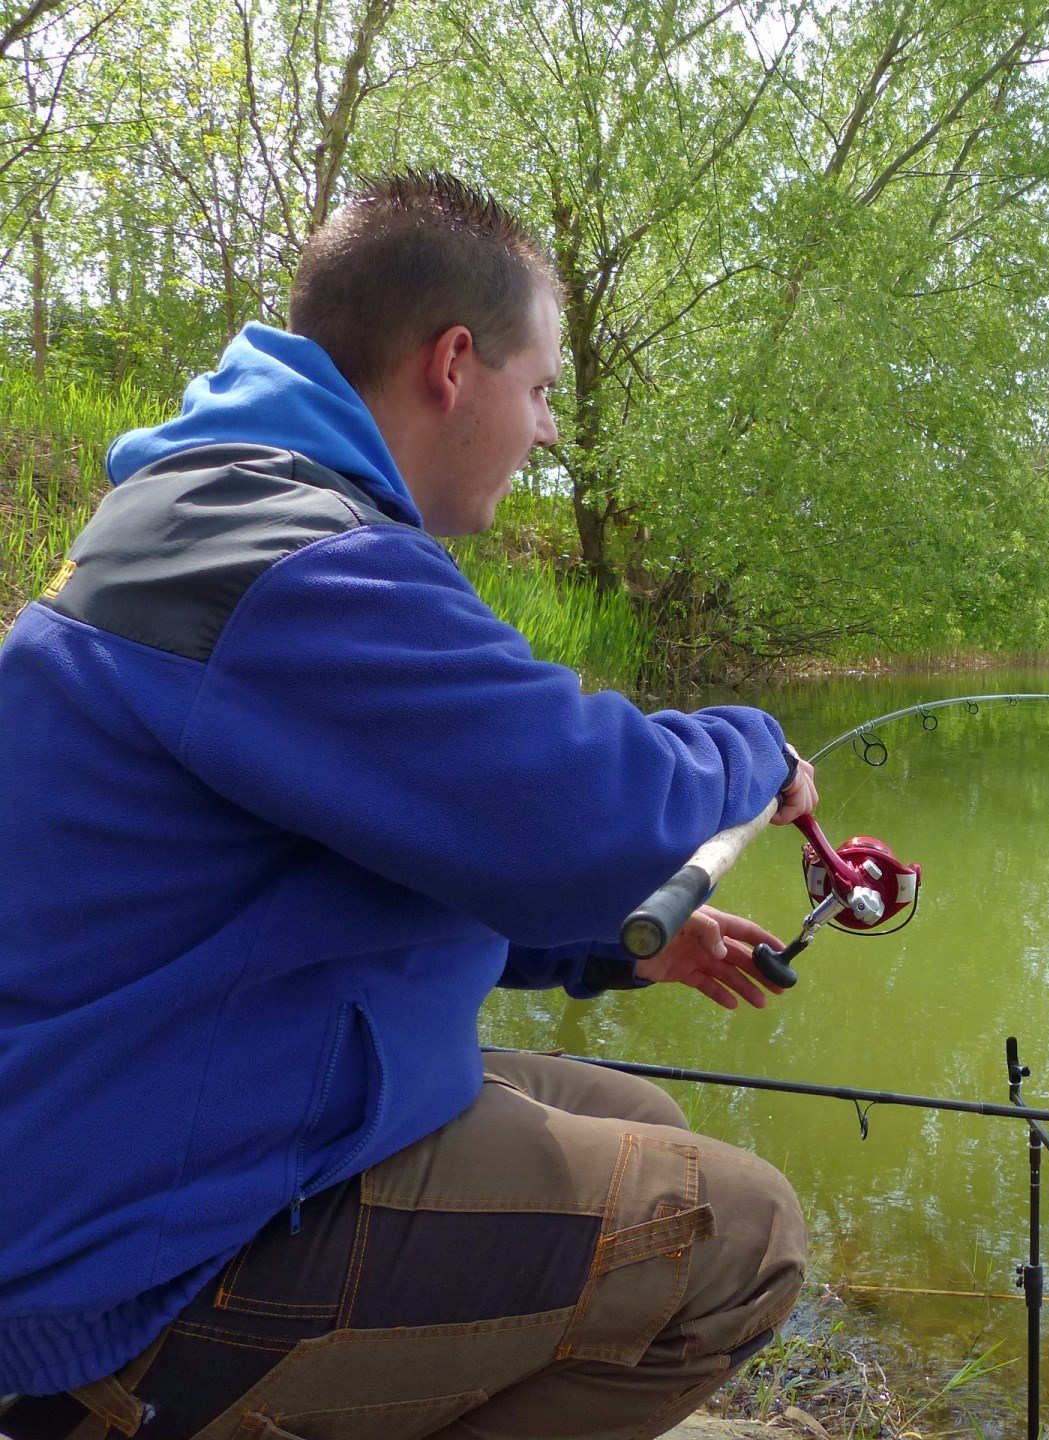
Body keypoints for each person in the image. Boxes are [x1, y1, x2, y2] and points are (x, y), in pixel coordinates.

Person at [0, 172, 816, 1440]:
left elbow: (390, 856)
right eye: (541, 390)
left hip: (153, 1109)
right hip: (126, 1263)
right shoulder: (293, 564)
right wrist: (760, 750)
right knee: (745, 1237)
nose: (547, 433)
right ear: (453, 366)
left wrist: (614, 944)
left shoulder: (218, 513)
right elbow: (597, 808)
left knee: (642, 1118)